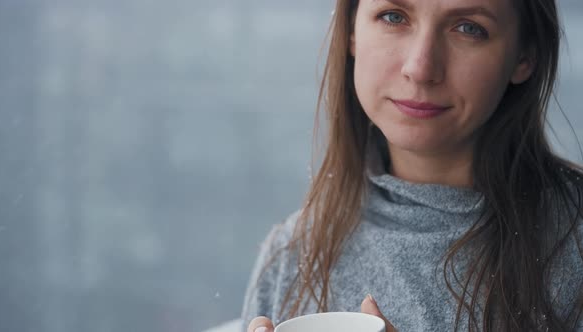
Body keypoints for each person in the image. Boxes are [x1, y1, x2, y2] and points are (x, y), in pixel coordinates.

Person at [242, 0, 583, 331]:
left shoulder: (574, 243)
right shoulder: (291, 257)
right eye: (393, 17)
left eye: (469, 28)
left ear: (525, 56)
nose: (420, 68)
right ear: (351, 32)